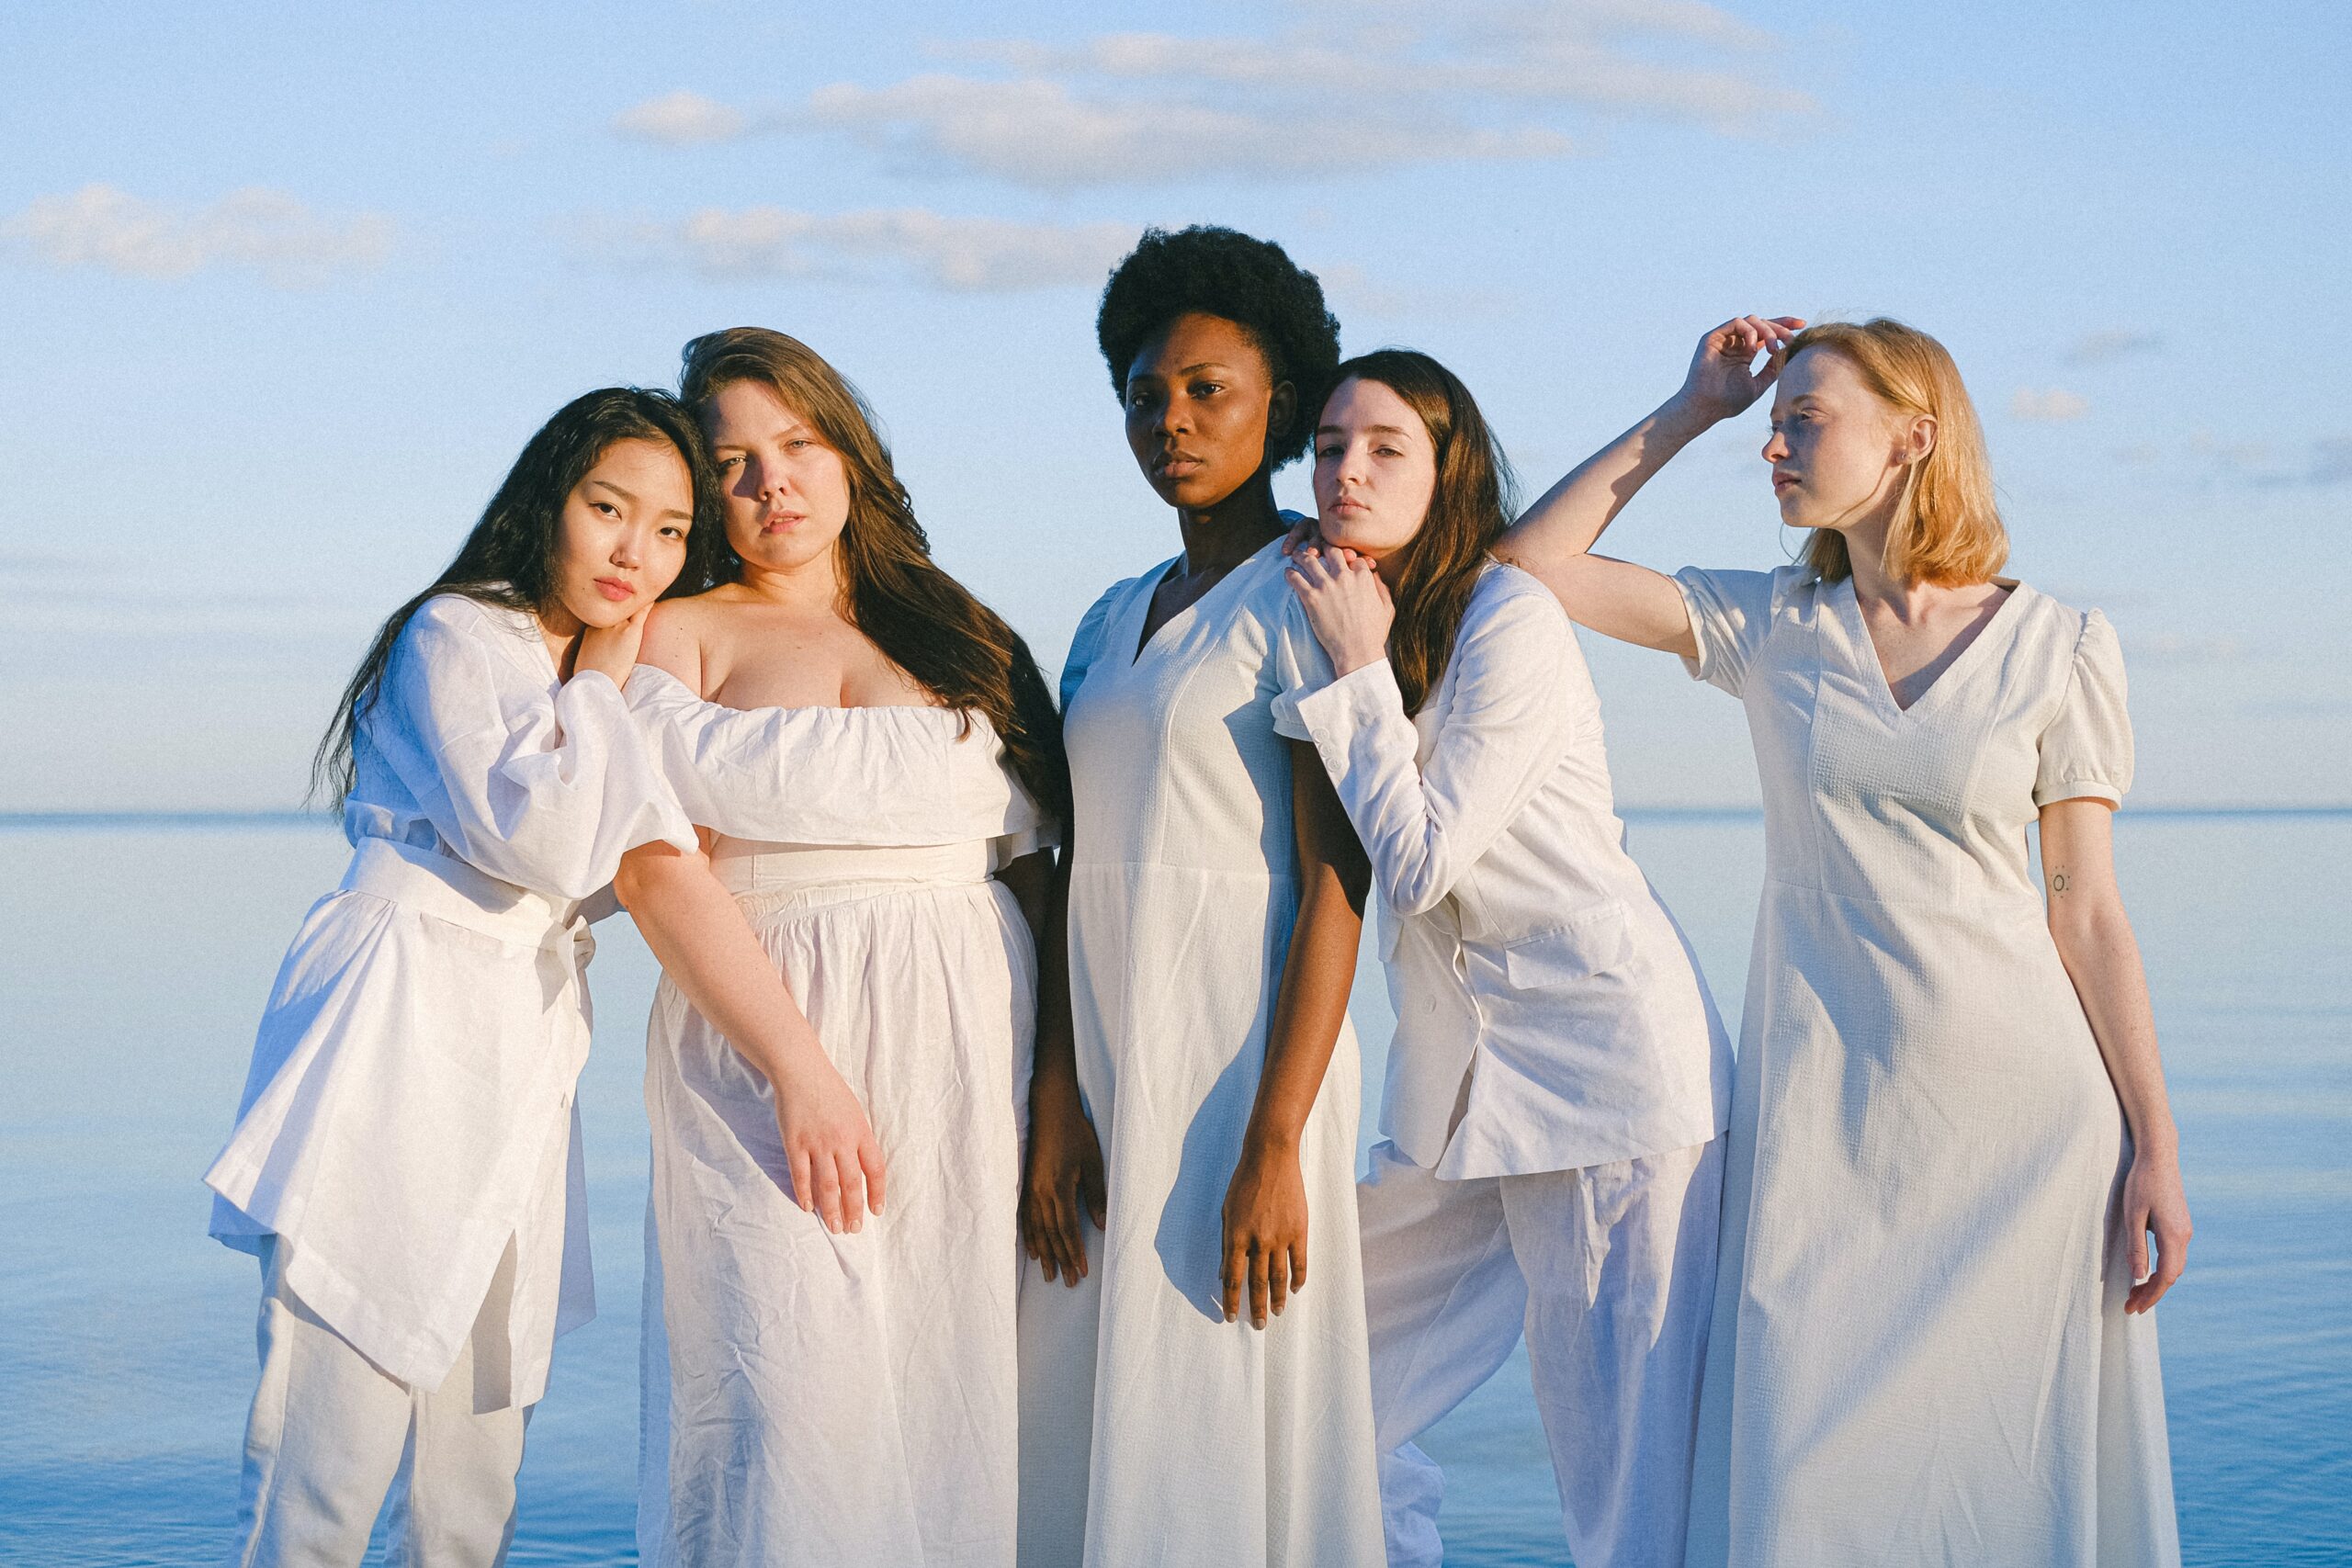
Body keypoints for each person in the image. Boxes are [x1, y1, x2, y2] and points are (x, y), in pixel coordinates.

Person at [1498, 315, 2188, 1566]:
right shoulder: (1772, 626)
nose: (1773, 442)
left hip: (2028, 1136)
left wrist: (2156, 1143)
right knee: (1805, 1485)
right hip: (1822, 1138)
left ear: (1914, 435)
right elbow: (1529, 565)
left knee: (2007, 1489)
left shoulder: (2062, 647)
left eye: (1802, 417)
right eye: (1773, 421)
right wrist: (1690, 407)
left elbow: (2085, 909)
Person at [203, 388, 715, 1568]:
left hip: (523, 1031)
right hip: (401, 1019)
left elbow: (621, 865)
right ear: (551, 500)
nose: (637, 551)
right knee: (328, 1443)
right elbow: (532, 841)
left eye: (673, 529)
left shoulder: (594, 668)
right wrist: (606, 673)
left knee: (474, 1469)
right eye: (608, 508)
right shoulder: (461, 634)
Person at [614, 327, 1067, 1568]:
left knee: (937, 1392)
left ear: (850, 451)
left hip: (965, 1042)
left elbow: (1038, 866)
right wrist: (799, 1068)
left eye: (798, 445)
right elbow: (657, 871)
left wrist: (1057, 1094)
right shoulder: (678, 632)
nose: (774, 487)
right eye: (734, 464)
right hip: (766, 1043)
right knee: (782, 1392)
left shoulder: (963, 630)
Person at [1276, 350, 1733, 1568]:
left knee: (1623, 1473)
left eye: (1385, 448)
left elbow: (1421, 862)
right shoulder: (1342, 611)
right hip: (1458, 1097)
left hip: (1607, 1087)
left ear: (1449, 469)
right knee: (1317, 1381)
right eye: (1328, 446)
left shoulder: (1507, 616)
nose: (1347, 472)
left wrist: (1360, 668)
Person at [1016, 226, 1385, 1566]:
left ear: (1281, 398)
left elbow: (1341, 879)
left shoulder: (1316, 591)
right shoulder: (1109, 614)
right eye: (1142, 394)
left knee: (1218, 1389)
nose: (1167, 419)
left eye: (1204, 388)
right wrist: (1057, 1093)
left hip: (1243, 1063)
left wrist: (1280, 1140)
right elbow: (1060, 867)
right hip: (1111, 1059)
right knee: (1086, 1395)